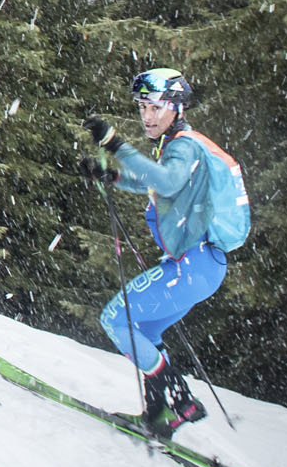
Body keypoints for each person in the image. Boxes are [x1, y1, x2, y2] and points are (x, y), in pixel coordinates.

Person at [81, 67, 248, 438]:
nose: (147, 116)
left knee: (114, 318)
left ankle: (184, 402)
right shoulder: (178, 146)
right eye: (142, 107)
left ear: (176, 108)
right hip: (200, 267)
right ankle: (158, 415)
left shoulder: (184, 145)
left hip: (194, 264)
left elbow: (166, 181)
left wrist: (114, 143)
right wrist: (115, 177)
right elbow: (158, 184)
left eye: (155, 107)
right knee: (142, 329)